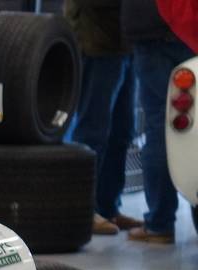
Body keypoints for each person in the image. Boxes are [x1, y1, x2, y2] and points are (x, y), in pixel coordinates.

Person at [122, 0, 196, 242]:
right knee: (192, 128)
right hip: (190, 33)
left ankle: (160, 223)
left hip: (151, 32)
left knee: (160, 128)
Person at [66, 0, 142, 234]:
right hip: (96, 45)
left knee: (123, 132)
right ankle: (83, 210)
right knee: (92, 131)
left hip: (124, 45)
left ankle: (108, 208)